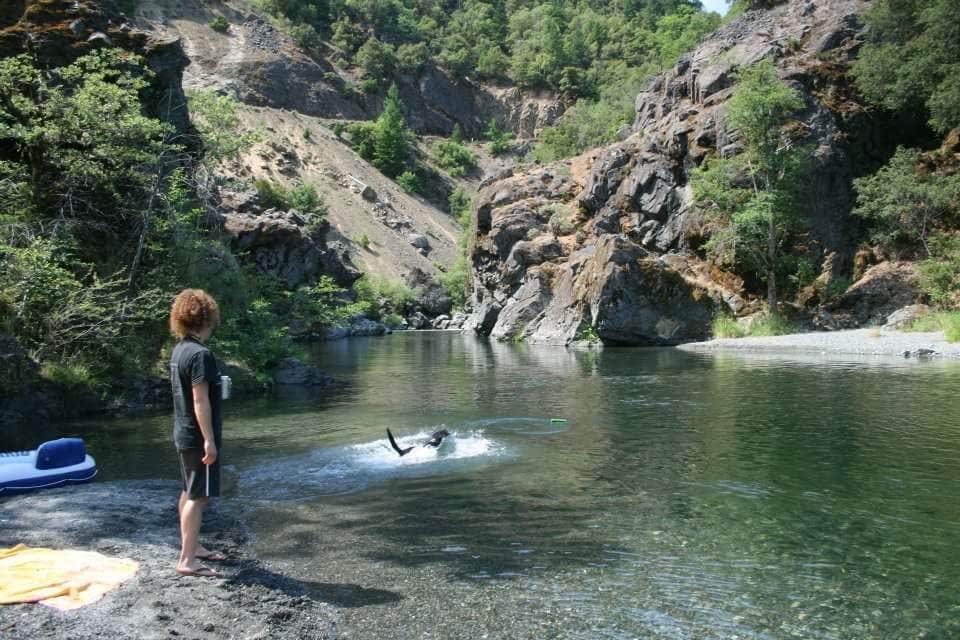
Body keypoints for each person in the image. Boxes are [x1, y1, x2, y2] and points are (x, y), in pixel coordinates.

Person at [169, 288, 226, 578]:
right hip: (196, 435)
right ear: (208, 316)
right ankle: (187, 560)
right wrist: (209, 440)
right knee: (197, 496)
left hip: (182, 431)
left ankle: (194, 547)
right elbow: (199, 400)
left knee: (189, 490)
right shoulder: (201, 354)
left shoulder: (180, 349)